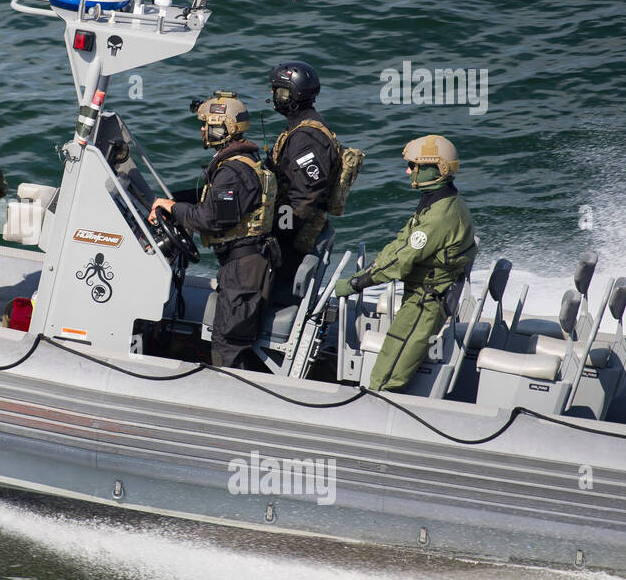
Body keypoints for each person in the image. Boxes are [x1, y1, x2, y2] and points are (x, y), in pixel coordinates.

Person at [333, 134, 478, 391]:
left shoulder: (440, 216)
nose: (408, 170)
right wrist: (374, 268)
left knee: (387, 374)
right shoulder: (436, 204)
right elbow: (402, 242)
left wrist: (359, 283)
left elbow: (403, 260)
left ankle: (377, 411)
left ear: (437, 169)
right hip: (422, 296)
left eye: (414, 166)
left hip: (425, 302)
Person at [150, 93, 277, 369]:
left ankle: (230, 399)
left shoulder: (232, 171)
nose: (202, 130)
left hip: (243, 270)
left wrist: (173, 208)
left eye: (207, 124)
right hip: (246, 264)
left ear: (223, 128)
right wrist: (173, 200)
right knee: (228, 339)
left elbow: (209, 219)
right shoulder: (240, 162)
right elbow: (212, 201)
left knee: (226, 344)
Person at [265, 60, 342, 293]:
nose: (273, 94)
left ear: (293, 96)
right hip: (292, 228)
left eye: (279, 90)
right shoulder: (302, 127)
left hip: (294, 239)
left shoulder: (305, 137)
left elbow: (305, 196)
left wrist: (277, 230)